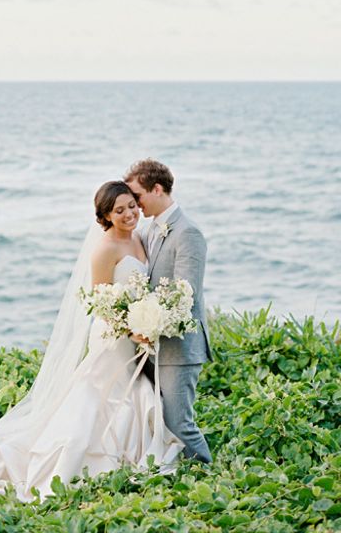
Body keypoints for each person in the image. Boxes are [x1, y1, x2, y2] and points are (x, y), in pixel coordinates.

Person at [0, 181, 183, 502]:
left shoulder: (139, 239)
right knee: (101, 395)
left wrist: (149, 319)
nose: (129, 214)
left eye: (132, 206)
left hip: (134, 335)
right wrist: (132, 328)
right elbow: (101, 303)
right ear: (106, 216)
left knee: (134, 394)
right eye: (119, 211)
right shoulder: (104, 249)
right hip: (112, 336)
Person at [124, 159, 212, 463]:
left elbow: (185, 295)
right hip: (150, 346)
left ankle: (208, 475)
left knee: (180, 424)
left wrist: (149, 326)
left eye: (137, 197)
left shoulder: (188, 233)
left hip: (179, 347)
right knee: (154, 418)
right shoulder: (150, 229)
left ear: (157, 189)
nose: (134, 205)